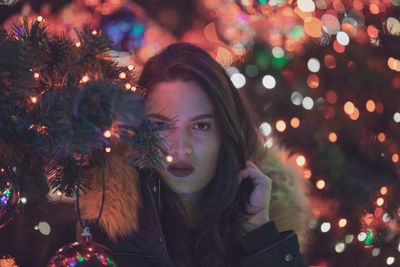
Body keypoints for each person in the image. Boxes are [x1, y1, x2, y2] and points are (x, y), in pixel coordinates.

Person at [77, 42, 309, 267]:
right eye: (161, 125)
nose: (181, 148)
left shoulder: (265, 225)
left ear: (226, 134)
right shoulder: (100, 231)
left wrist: (260, 236)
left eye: (201, 126)